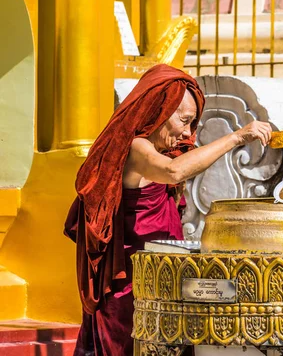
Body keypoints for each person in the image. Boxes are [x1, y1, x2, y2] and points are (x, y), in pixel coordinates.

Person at [64, 64, 271, 355]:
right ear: (158, 111)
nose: (187, 132)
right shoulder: (136, 148)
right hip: (132, 285)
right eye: (185, 120)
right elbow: (174, 173)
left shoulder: (165, 149)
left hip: (166, 276)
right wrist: (236, 137)